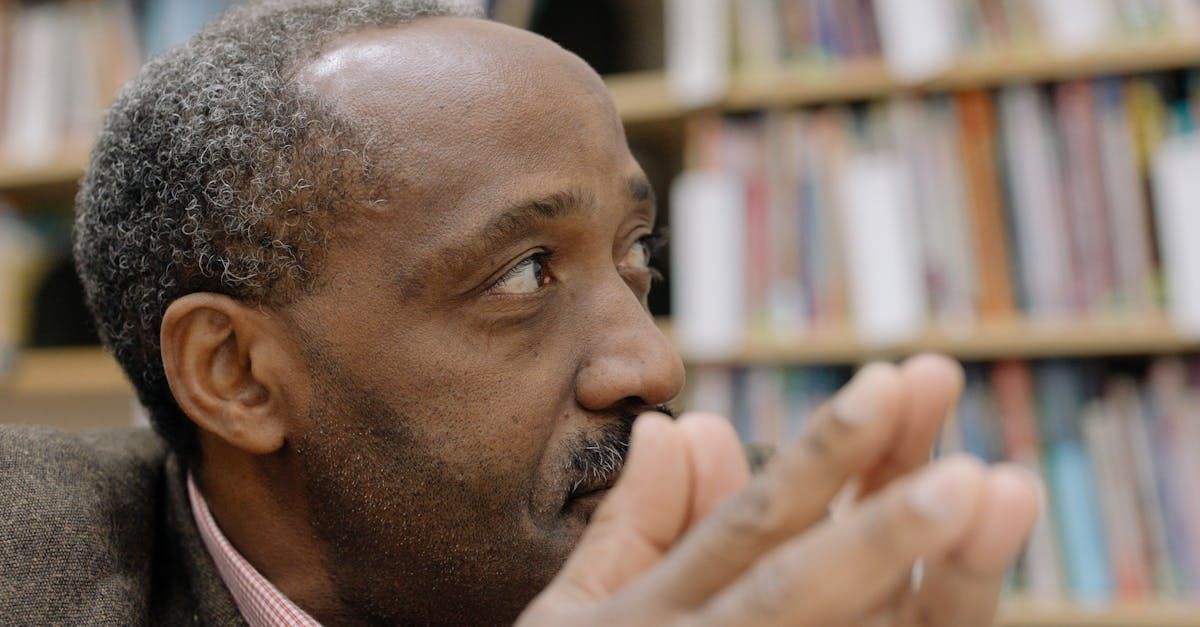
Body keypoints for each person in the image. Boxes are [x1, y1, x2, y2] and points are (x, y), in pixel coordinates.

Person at [0, 0, 1042, 624]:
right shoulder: (31, 556)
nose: (652, 366)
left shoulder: (742, 547)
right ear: (236, 373)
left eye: (640, 257)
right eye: (523, 274)